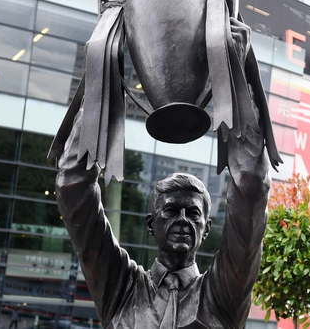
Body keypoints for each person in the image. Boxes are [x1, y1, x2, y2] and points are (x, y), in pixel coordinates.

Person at [55, 103, 271, 329]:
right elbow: (72, 184)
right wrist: (101, 90)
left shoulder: (221, 295)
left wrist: (234, 88)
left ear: (205, 229)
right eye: (171, 211)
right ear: (151, 224)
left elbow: (252, 183)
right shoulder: (122, 287)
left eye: (193, 213)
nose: (183, 219)